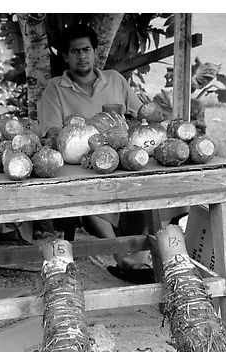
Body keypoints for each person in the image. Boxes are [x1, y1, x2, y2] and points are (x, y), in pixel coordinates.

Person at [37, 23, 154, 284]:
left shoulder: (114, 80)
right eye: (75, 51)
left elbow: (141, 116)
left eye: (86, 50)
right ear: (66, 56)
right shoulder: (55, 89)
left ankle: (144, 253)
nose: (82, 56)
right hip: (82, 165)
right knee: (85, 193)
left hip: (123, 157)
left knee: (151, 185)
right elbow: (53, 133)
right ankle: (122, 254)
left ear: (94, 52)